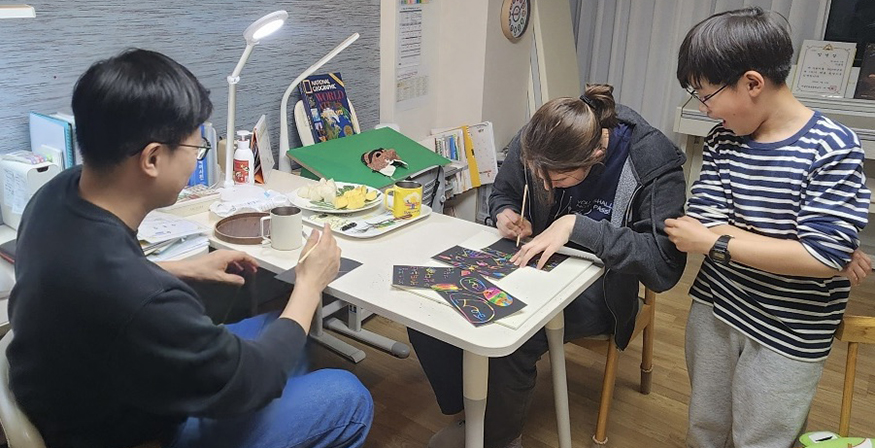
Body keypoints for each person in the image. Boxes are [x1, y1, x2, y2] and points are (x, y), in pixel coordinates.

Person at [7, 49, 373, 448]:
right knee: (346, 394)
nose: (195, 162)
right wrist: (309, 284)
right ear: (152, 159)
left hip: (78, 389)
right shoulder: (140, 300)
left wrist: (181, 269)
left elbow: (86, 282)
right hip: (132, 432)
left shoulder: (55, 196)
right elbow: (255, 378)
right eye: (196, 151)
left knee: (286, 338)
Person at [408, 84, 688, 448]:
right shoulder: (537, 138)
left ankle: (499, 438)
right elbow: (505, 192)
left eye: (557, 179)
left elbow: (664, 263)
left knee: (511, 334)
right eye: (538, 175)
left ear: (598, 154)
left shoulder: (652, 160)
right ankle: (474, 417)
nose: (544, 184)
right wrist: (504, 213)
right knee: (431, 308)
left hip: (601, 285)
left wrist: (577, 227)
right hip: (529, 263)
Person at [667, 7, 872, 448]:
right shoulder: (725, 138)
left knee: (763, 437)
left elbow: (819, 256)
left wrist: (717, 241)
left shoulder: (833, 146)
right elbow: (704, 219)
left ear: (753, 83)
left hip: (790, 330)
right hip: (717, 310)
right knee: (705, 425)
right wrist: (806, 253)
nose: (703, 109)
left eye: (706, 94)